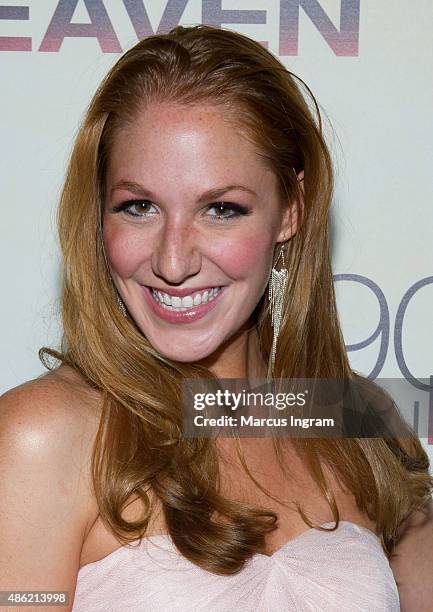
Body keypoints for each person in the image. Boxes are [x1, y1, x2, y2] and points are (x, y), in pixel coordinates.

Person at [1, 24, 432, 611]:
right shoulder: (45, 436)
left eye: (221, 209)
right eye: (139, 206)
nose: (173, 261)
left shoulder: (360, 422)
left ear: (291, 211)